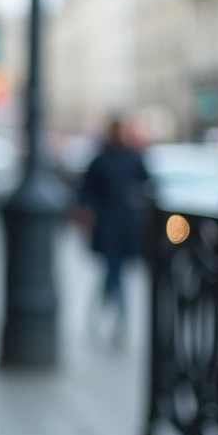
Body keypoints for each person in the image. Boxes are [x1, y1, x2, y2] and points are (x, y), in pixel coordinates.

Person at [76, 118, 149, 349]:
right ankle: (117, 321)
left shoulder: (133, 157)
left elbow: (146, 183)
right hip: (106, 225)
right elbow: (86, 190)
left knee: (115, 275)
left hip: (125, 225)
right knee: (114, 272)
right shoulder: (101, 159)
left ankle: (105, 317)